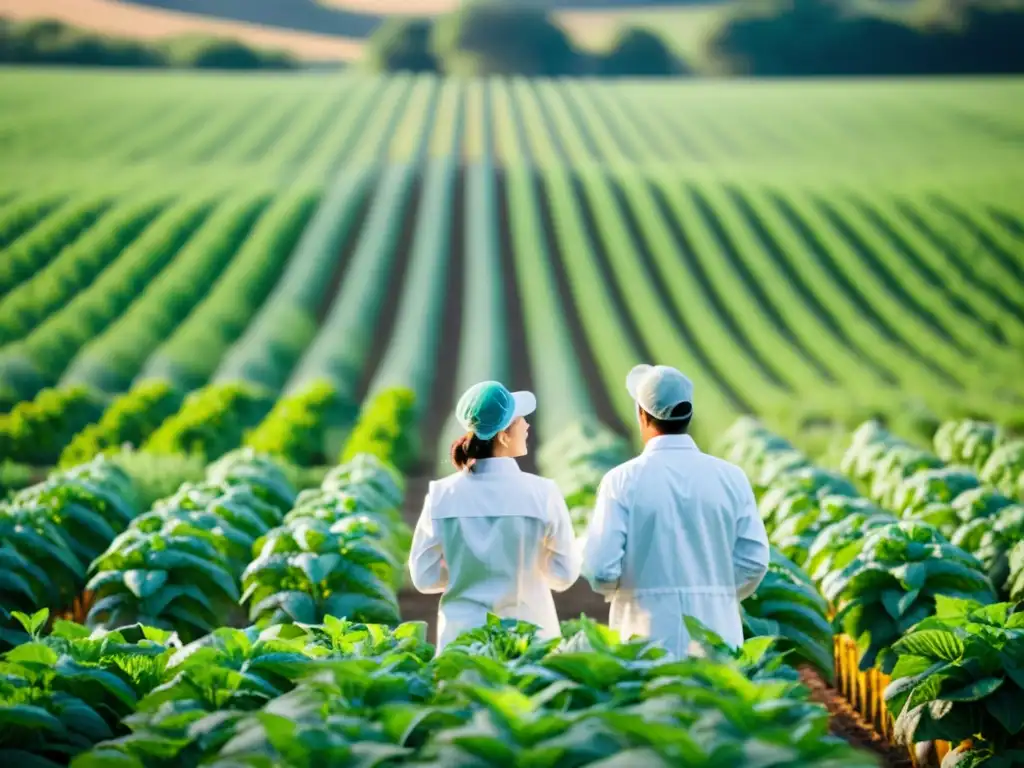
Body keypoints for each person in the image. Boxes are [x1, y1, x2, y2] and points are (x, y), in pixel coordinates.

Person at [581, 364, 770, 658]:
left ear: (642, 415)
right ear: (689, 415)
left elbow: (601, 569)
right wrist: (711, 590)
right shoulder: (731, 477)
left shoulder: (621, 481)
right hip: (717, 635)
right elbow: (754, 561)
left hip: (643, 638)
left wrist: (630, 588)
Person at [408, 380, 581, 652]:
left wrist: (464, 572)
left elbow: (424, 577)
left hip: (462, 641)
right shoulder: (542, 492)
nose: (527, 426)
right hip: (530, 639)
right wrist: (529, 566)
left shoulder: (442, 494)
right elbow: (564, 574)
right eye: (521, 420)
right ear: (503, 435)